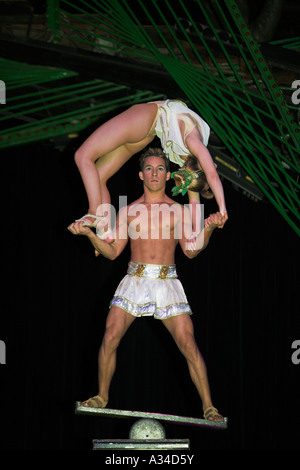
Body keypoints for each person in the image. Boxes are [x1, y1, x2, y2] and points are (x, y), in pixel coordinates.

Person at [68, 148, 227, 422]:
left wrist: (209, 228)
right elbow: (112, 251)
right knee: (109, 336)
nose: (155, 173)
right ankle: (102, 396)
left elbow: (191, 250)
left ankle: (209, 407)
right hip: (134, 280)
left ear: (168, 175)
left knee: (188, 344)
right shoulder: (129, 211)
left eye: (160, 169)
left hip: (167, 282)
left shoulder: (178, 211)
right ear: (142, 174)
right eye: (150, 169)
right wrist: (89, 236)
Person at [73, 99, 228, 240]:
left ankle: (94, 213)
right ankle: (105, 232)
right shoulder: (192, 150)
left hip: (144, 120)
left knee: (82, 156)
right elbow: (203, 188)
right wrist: (212, 218)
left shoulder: (191, 155)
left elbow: (203, 188)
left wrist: (208, 222)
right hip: (146, 132)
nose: (212, 165)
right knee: (98, 177)